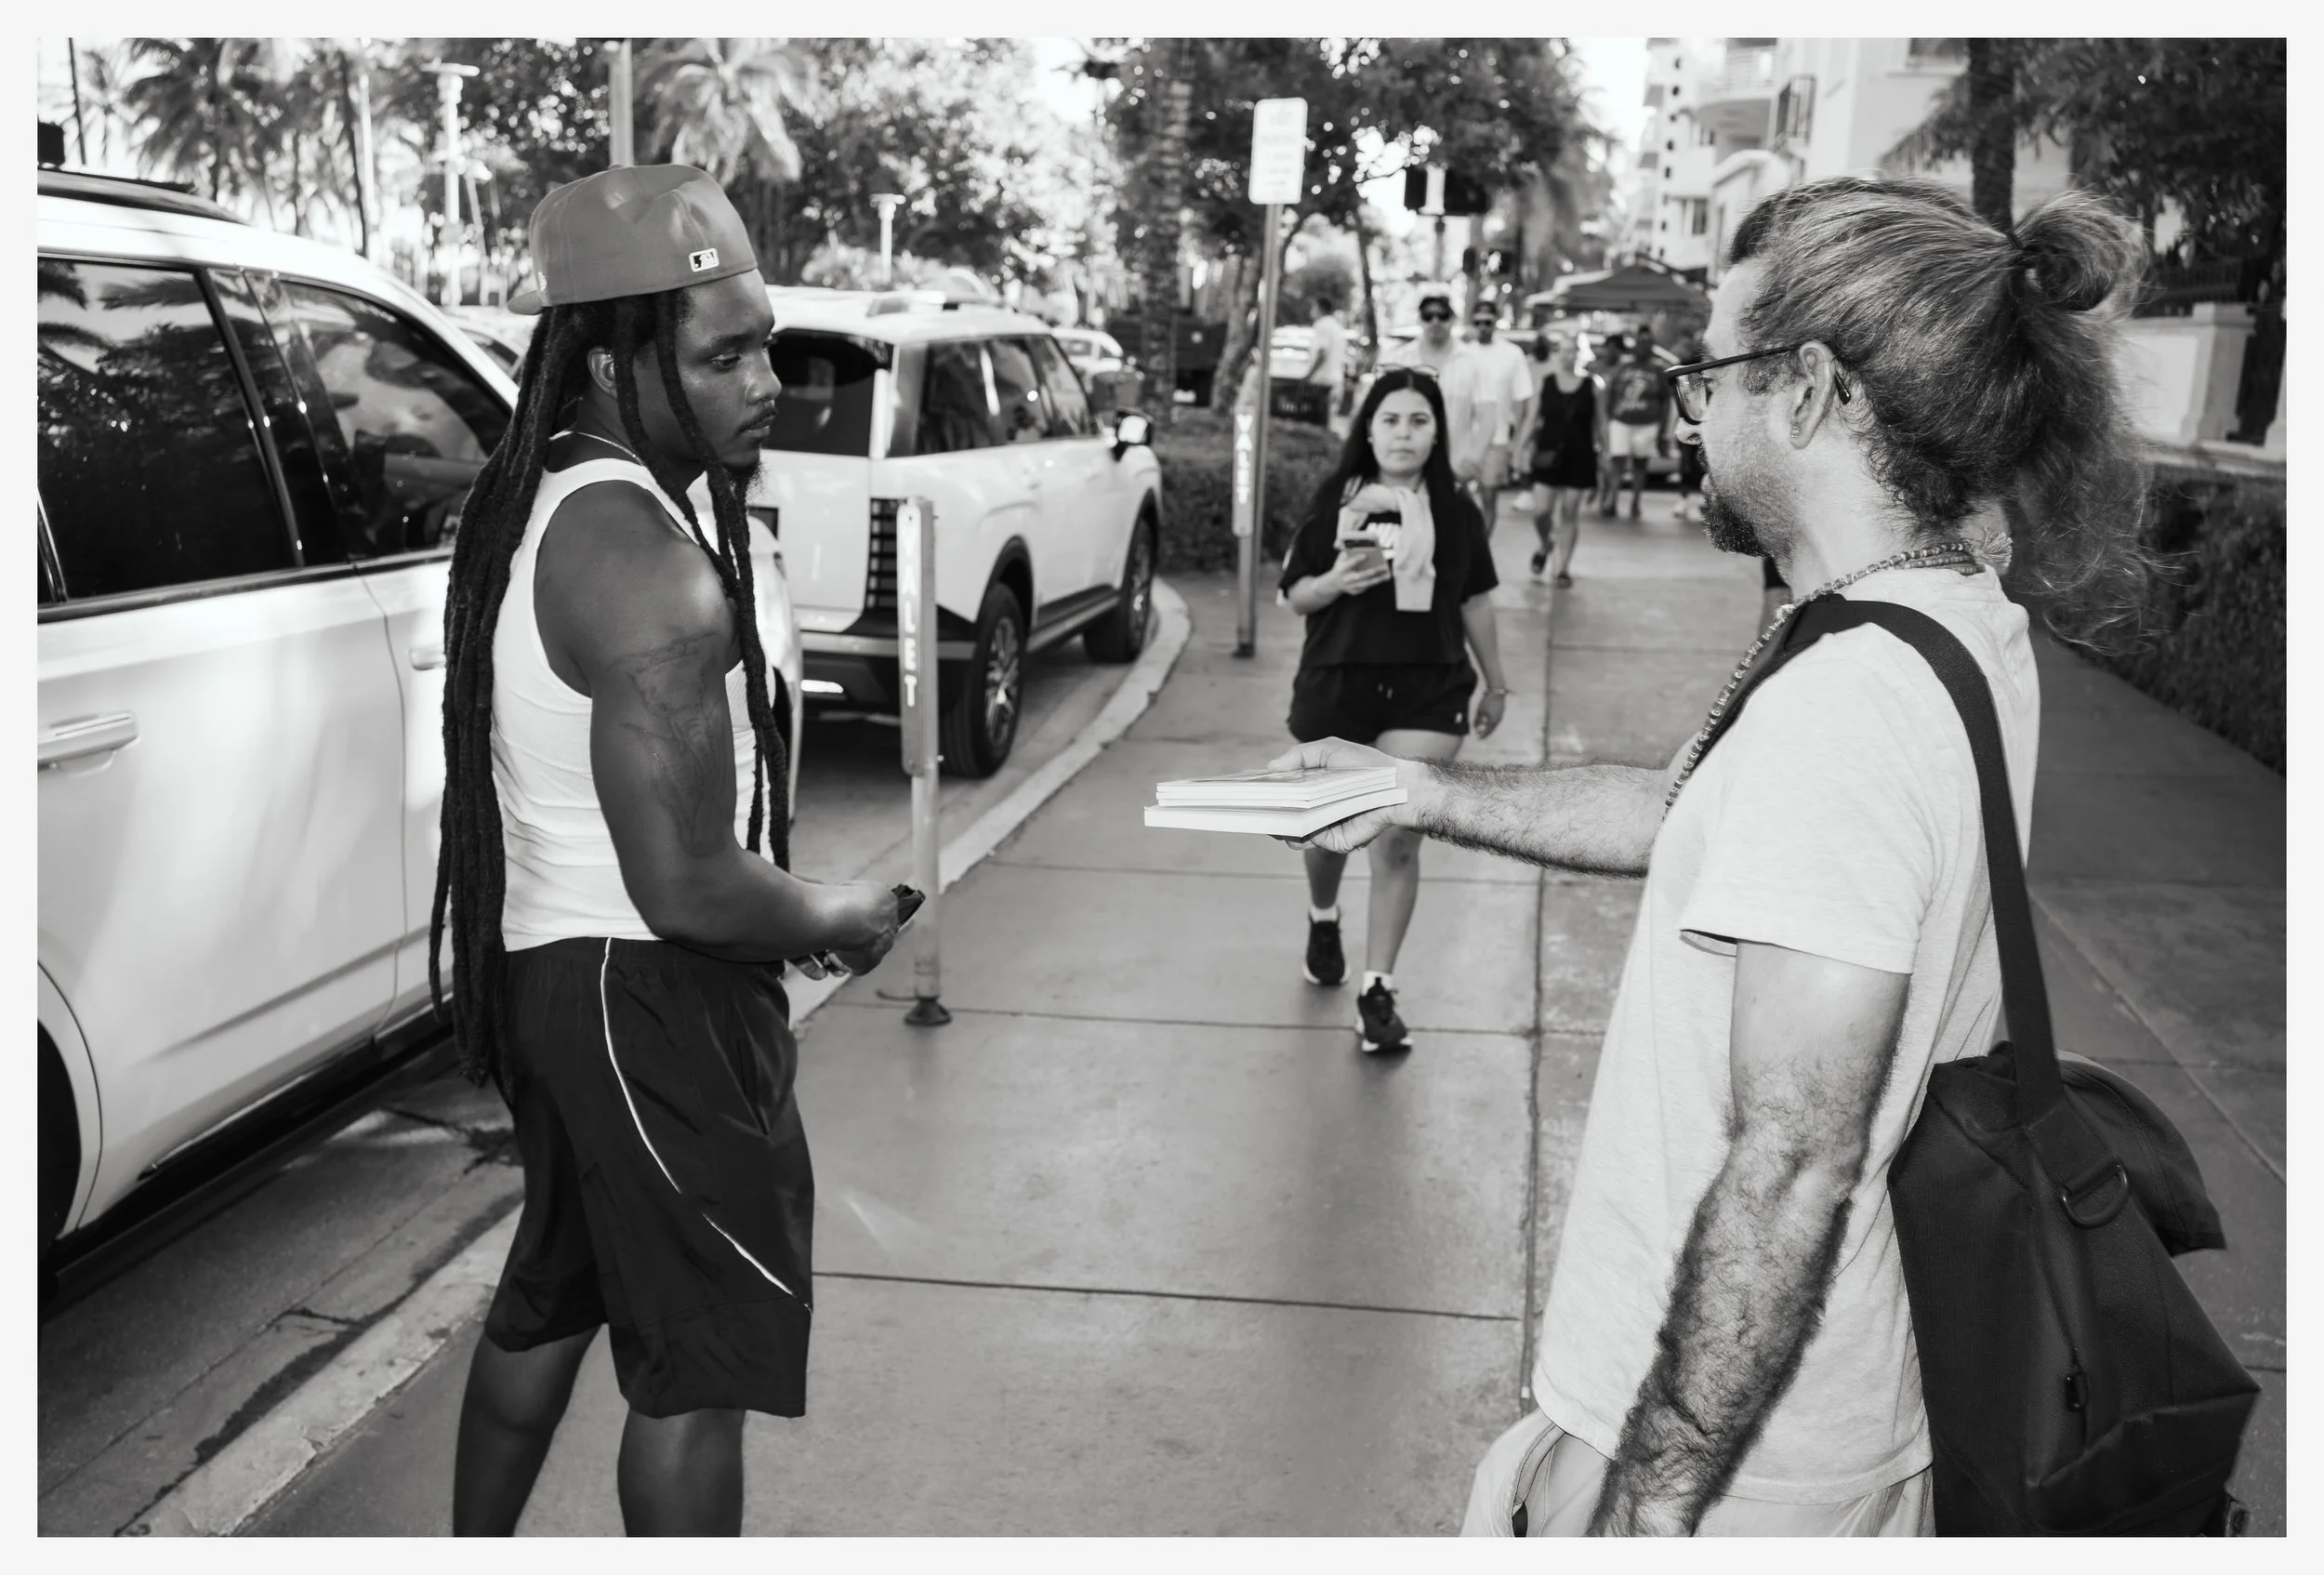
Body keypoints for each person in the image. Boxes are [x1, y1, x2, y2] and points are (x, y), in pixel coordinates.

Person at [1276, 174, 2149, 1534]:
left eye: (1712, 375)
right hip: (1786, 1416)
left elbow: (1793, 1161)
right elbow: (1685, 812)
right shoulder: (1933, 610)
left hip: (1739, 1462)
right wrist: (1419, 791)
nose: (1691, 415)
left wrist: (1655, 1490)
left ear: (1807, 390)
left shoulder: (1849, 705)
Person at [430, 165, 908, 1537]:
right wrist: (839, 911)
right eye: (723, 356)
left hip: (559, 977)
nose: (767, 384)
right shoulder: (645, 560)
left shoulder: (547, 491)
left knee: (552, 1294)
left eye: (766, 345)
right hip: (649, 996)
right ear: (611, 357)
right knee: (698, 1376)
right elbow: (690, 883)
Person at [1276, 366, 1511, 1054]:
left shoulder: (1457, 512)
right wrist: (1334, 581)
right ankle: (1324, 916)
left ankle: (1377, 991)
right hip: (1338, 683)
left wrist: (1496, 684)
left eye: (1418, 420)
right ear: (1369, 429)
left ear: (1436, 432)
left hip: (1428, 690)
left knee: (1398, 836)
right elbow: (1294, 595)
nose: (1403, 434)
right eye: (1390, 420)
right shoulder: (1335, 503)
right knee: (1330, 830)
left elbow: (1475, 599)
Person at [1377, 286, 1490, 489]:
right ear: (1419, 320)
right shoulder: (1397, 359)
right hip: (1404, 471)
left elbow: (1488, 414)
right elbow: (1378, 412)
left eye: (1442, 315)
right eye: (1428, 316)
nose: (1435, 322)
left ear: (1453, 319)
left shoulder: (1473, 361)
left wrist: (1474, 457)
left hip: (1453, 469)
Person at [1520, 331, 1599, 587]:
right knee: (1541, 512)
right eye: (1563, 350)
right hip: (1548, 454)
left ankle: (1562, 567)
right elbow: (1532, 418)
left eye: (1572, 350)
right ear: (1557, 354)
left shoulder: (1592, 385)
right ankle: (1546, 544)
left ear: (1579, 354)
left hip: (1580, 454)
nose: (1567, 356)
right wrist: (1519, 447)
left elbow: (1600, 424)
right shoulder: (1545, 383)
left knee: (1570, 512)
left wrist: (1606, 454)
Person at [1466, 298, 1537, 535]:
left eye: (1487, 322)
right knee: (1461, 500)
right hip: (1464, 439)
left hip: (1496, 440)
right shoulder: (1462, 354)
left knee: (1489, 499)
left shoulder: (1512, 354)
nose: (1482, 327)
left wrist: (1516, 444)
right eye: (1478, 322)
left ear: (1496, 322)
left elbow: (1523, 401)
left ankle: (1480, 550)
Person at [1601, 328, 1672, 520]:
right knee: (1617, 460)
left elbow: (1666, 399)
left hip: (1647, 423)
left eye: (1647, 343)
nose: (1643, 347)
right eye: (1641, 342)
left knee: (1640, 463)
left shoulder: (1657, 368)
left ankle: (1635, 502)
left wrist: (1663, 427)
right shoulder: (1623, 366)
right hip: (1621, 420)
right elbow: (1610, 392)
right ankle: (1611, 500)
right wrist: (1607, 416)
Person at [1587, 332, 1626, 517]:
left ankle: (1611, 499)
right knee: (1600, 460)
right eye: (1607, 348)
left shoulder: (1625, 369)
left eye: (1614, 348)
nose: (1610, 352)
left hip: (1617, 420)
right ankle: (1600, 491)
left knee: (1615, 461)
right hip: (1597, 420)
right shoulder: (1595, 367)